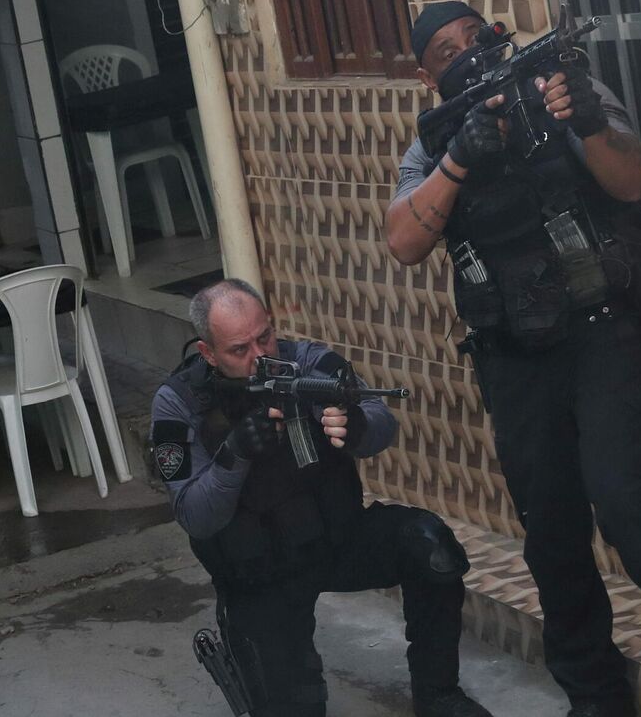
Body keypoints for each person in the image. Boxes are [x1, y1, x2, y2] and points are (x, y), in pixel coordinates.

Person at [386, 2, 641, 717]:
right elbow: (403, 241)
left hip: (603, 332)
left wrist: (582, 118)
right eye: (447, 53)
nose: (469, 55)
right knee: (550, 527)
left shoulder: (558, 89)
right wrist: (461, 155)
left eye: (475, 39)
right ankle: (593, 692)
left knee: (626, 496)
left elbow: (631, 181)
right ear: (428, 77)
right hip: (513, 357)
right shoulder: (433, 144)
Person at [154, 280, 492, 717]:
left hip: (334, 540)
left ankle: (439, 694)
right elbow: (194, 516)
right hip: (258, 572)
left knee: (431, 547)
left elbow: (376, 415)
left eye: (265, 337)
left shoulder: (305, 361)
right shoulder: (179, 402)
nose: (260, 356)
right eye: (240, 349)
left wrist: (357, 428)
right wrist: (234, 454)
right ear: (208, 353)